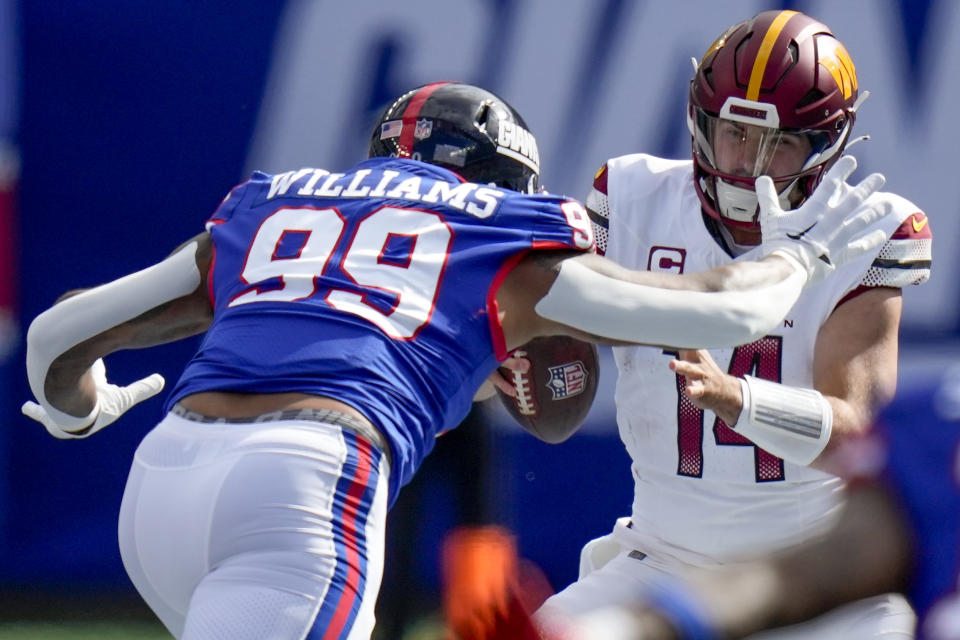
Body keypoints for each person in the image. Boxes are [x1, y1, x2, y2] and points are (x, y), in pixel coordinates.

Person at [21, 81, 891, 640]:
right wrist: (805, 257)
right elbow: (728, 307)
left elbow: (59, 336)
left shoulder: (272, 202)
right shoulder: (499, 227)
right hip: (297, 490)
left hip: (159, 484)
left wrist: (77, 406)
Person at [536, 9, 932, 639]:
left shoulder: (864, 227)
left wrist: (737, 399)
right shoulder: (633, 196)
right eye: (736, 135)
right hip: (661, 557)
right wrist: (530, 370)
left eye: (781, 145)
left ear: (826, 145)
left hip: (814, 574)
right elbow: (558, 387)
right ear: (700, 123)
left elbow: (859, 433)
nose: (749, 164)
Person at [532, 366, 960, 640]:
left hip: (812, 564)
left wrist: (743, 400)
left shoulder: (854, 229)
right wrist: (618, 629)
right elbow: (794, 577)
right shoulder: (939, 431)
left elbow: (852, 425)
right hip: (661, 555)